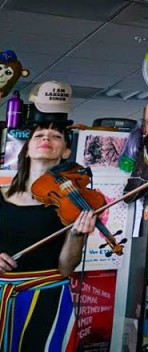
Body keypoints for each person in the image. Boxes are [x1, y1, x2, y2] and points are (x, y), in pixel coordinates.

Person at [0, 122, 97, 352]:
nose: (46, 139)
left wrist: (76, 235)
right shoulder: (1, 197)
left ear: (65, 152)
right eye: (40, 135)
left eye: (55, 136)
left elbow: (66, 268)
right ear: (28, 148)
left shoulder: (72, 204)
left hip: (47, 297)